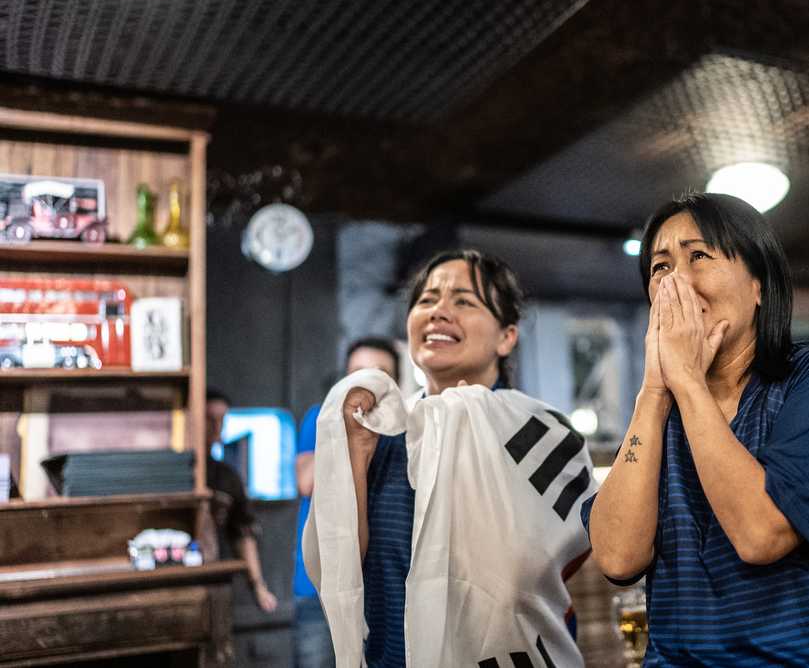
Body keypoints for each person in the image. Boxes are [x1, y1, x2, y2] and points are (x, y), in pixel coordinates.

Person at [583, 192, 809, 666]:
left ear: (759, 285)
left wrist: (687, 381)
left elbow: (761, 535)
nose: (676, 281)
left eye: (698, 256)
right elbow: (617, 557)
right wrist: (653, 392)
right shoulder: (659, 415)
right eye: (660, 267)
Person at [337, 249, 589, 667]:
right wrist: (357, 456)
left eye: (464, 301)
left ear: (507, 337)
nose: (439, 312)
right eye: (426, 300)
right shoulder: (384, 433)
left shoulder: (541, 434)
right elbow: (343, 569)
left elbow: (550, 564)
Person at [292, 338, 400, 668]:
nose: (368, 382)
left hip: (383, 587)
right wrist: (347, 434)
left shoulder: (403, 430)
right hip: (319, 586)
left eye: (380, 373)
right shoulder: (320, 418)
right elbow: (306, 481)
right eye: (358, 372)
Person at [204, 389, 278, 613]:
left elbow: (243, 533)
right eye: (209, 418)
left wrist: (258, 586)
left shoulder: (227, 477)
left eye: (222, 419)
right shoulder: (175, 472)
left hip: (216, 581)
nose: (216, 426)